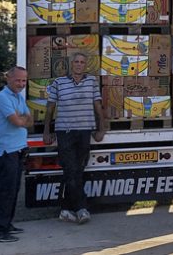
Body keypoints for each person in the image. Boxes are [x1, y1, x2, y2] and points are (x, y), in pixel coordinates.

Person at [43, 53, 106, 224]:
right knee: (71, 169)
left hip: (85, 131)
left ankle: (65, 209)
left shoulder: (91, 82)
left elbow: (98, 107)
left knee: (78, 170)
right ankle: (81, 208)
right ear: (71, 65)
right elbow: (50, 109)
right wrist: (46, 131)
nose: (79, 65)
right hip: (65, 132)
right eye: (76, 62)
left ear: (86, 65)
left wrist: (101, 129)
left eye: (82, 62)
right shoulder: (58, 83)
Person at [0, 67, 32, 243]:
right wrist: (21, 119)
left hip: (18, 149)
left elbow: (28, 119)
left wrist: (21, 119)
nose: (21, 84)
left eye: (24, 81)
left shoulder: (18, 97)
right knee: (6, 191)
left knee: (14, 190)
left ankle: (6, 224)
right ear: (8, 79)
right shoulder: (1, 97)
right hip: (7, 151)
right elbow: (16, 121)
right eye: (18, 80)